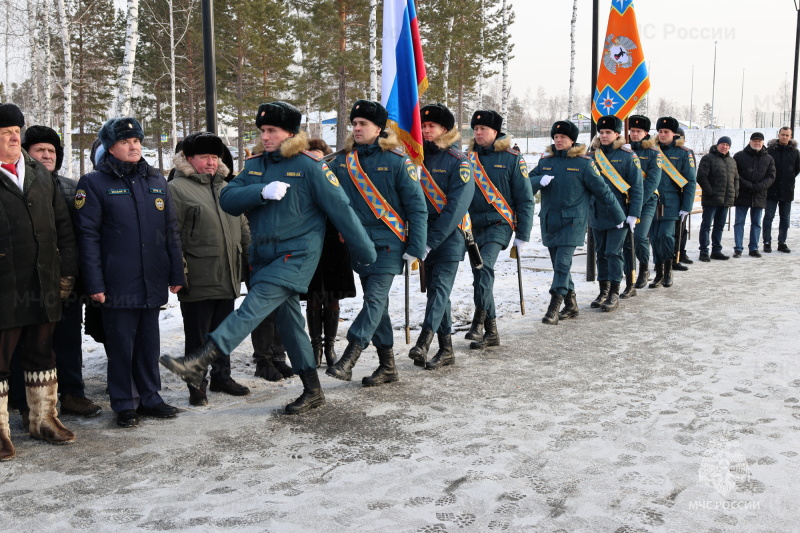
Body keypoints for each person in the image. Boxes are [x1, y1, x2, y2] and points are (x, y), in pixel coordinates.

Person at [160, 101, 376, 413]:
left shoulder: (310, 167)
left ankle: (201, 359)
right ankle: (312, 390)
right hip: (265, 256)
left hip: (298, 255)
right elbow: (229, 199)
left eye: (271, 130)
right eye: (262, 131)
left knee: (253, 305)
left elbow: (342, 210)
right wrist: (260, 192)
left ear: (290, 132)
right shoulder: (257, 165)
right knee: (290, 325)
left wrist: (366, 252)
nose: (265, 136)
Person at [74, 117, 185, 428]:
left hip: (152, 279)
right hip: (116, 282)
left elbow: (171, 232)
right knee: (122, 345)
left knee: (149, 344)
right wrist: (94, 282)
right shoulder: (94, 183)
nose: (134, 145)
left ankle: (150, 397)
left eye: (137, 140)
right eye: (125, 141)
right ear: (111, 148)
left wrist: (176, 272)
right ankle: (124, 402)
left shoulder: (157, 181)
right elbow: (88, 237)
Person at [326, 99, 427, 386]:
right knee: (377, 305)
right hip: (358, 245)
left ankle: (350, 355)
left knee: (373, 300)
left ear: (378, 128)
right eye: (354, 124)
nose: (357, 128)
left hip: (389, 243)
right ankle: (388, 366)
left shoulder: (397, 161)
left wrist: (415, 248)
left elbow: (416, 208)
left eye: (363, 124)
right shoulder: (343, 162)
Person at [0, 104, 78, 460]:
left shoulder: (39, 174)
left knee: (42, 353)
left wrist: (66, 274)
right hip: (4, 287)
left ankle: (44, 418)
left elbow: (63, 228)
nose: (14, 136)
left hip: (41, 281)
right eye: (5, 133)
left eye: (16, 130)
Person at [8, 126, 102, 420]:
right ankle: (26, 403)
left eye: (51, 151)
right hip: (30, 283)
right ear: (27, 153)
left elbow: (80, 236)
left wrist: (76, 276)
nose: (46, 155)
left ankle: (73, 393)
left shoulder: (72, 188)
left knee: (68, 340)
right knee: (30, 344)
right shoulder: (17, 186)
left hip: (67, 280)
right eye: (40, 150)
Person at [169, 131, 251, 406]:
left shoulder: (226, 187)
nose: (211, 162)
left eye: (215, 157)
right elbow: (172, 234)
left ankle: (222, 377)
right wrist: (179, 271)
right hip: (198, 275)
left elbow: (242, 226)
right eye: (205, 157)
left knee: (224, 331)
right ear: (189, 159)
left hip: (228, 271)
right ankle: (196, 384)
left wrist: (250, 258)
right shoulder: (177, 189)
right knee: (198, 335)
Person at [529, 120, 624, 324]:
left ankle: (554, 306)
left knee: (563, 264)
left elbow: (603, 192)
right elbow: (524, 185)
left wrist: (619, 217)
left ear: (572, 140)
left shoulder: (583, 163)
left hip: (573, 223)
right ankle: (571, 305)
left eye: (563, 137)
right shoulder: (545, 162)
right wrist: (538, 181)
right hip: (549, 221)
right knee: (558, 267)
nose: (558, 140)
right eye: (555, 137)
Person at [408, 103, 473, 369]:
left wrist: (430, 241)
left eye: (431, 126)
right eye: (422, 126)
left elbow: (456, 208)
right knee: (437, 294)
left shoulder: (459, 161)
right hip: (424, 238)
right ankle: (446, 349)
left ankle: (424, 340)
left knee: (438, 291)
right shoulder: (416, 159)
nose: (425, 131)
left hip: (449, 237)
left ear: (444, 129)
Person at [464, 110, 533, 347]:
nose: (478, 133)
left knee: (484, 268)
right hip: (472, 227)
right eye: (475, 129)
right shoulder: (466, 158)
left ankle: (478, 321)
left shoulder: (512, 158)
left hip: (499, 223)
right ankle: (491, 332)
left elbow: (525, 199)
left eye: (483, 129)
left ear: (495, 132)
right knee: (479, 276)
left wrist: (522, 235)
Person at [301, 138, 356, 369]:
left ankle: (330, 346)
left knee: (333, 296)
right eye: (311, 155)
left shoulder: (336, 176)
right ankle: (315, 348)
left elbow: (347, 204)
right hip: (309, 242)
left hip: (335, 241)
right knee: (314, 297)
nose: (316, 159)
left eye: (319, 156)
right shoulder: (301, 177)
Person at [586, 116, 642, 311]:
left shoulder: (628, 157)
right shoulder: (592, 156)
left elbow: (637, 187)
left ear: (617, 134)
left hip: (620, 214)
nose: (604, 136)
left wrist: (634, 214)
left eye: (608, 132)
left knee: (613, 252)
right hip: (597, 213)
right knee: (600, 253)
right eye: (601, 132)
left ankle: (614, 292)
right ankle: (603, 290)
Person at [649, 117, 696, 288]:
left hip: (672, 202)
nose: (662, 135)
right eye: (660, 131)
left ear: (674, 133)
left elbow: (690, 181)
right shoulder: (651, 151)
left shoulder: (684, 153)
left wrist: (686, 207)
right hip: (652, 202)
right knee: (654, 238)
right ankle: (659, 272)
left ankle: (668, 270)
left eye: (666, 132)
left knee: (666, 236)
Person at [624, 115, 662, 293]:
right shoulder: (624, 150)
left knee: (639, 236)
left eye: (638, 131)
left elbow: (652, 182)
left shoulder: (654, 153)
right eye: (632, 131)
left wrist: (637, 203)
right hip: (625, 199)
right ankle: (629, 277)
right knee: (626, 239)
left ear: (646, 133)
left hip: (646, 201)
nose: (634, 134)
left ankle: (644, 268)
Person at [732, 132, 776, 258]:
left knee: (756, 223)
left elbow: (771, 176)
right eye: (754, 141)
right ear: (750, 141)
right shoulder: (739, 156)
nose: (757, 143)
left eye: (759, 141)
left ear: (763, 143)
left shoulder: (769, 158)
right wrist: (747, 185)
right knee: (739, 222)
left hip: (760, 195)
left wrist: (759, 186)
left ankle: (753, 248)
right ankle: (738, 248)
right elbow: (735, 174)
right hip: (743, 194)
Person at [696, 136, 738, 261]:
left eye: (727, 145)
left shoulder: (731, 161)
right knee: (706, 226)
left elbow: (736, 178)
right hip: (711, 200)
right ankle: (704, 251)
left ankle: (716, 250)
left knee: (719, 226)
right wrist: (710, 192)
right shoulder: (708, 158)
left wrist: (735, 192)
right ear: (717, 145)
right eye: (722, 144)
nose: (724, 147)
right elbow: (702, 177)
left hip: (725, 200)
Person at [764, 127, 800, 253]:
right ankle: (767, 242)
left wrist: (788, 178)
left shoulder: (795, 152)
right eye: (782, 134)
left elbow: (796, 169)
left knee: (785, 218)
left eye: (787, 135)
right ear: (778, 135)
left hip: (787, 190)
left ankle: (782, 242)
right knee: (768, 217)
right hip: (771, 189)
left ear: (791, 137)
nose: (784, 137)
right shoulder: (769, 150)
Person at [673, 127, 695, 269]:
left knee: (682, 229)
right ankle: (671, 257)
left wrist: (687, 204)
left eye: (680, 136)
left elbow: (691, 178)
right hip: (670, 196)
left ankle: (681, 252)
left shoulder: (687, 153)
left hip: (682, 196)